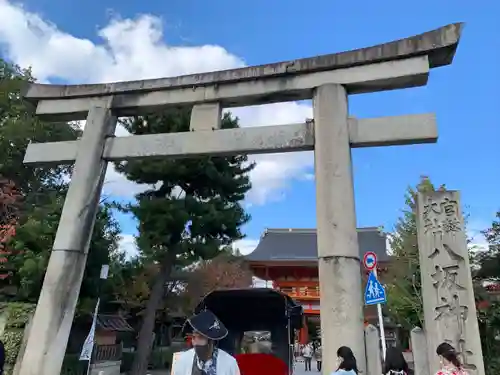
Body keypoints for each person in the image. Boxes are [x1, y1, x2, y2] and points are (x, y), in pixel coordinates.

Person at [173, 310, 240, 375]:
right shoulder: (183, 360)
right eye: (193, 337)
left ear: (211, 341)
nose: (195, 343)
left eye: (200, 337)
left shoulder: (229, 363)